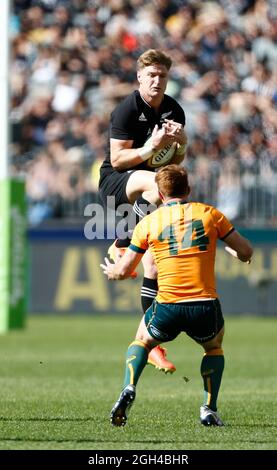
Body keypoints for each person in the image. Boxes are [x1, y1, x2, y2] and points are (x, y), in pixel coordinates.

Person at [100, 164, 253, 427]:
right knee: (213, 347)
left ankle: (129, 387)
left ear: (159, 193)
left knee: (141, 341)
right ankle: (209, 408)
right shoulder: (209, 214)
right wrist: (234, 253)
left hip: (168, 305)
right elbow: (246, 252)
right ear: (189, 189)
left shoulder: (149, 223)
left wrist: (112, 270)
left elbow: (124, 271)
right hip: (204, 306)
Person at [99, 49, 187, 373]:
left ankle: (152, 344)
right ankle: (123, 244)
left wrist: (182, 141)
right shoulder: (126, 110)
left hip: (149, 188)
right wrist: (151, 147)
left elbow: (173, 162)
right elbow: (118, 160)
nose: (157, 81)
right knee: (156, 186)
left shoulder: (174, 110)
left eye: (162, 76)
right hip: (116, 181)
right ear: (139, 77)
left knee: (153, 263)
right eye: (151, 75)